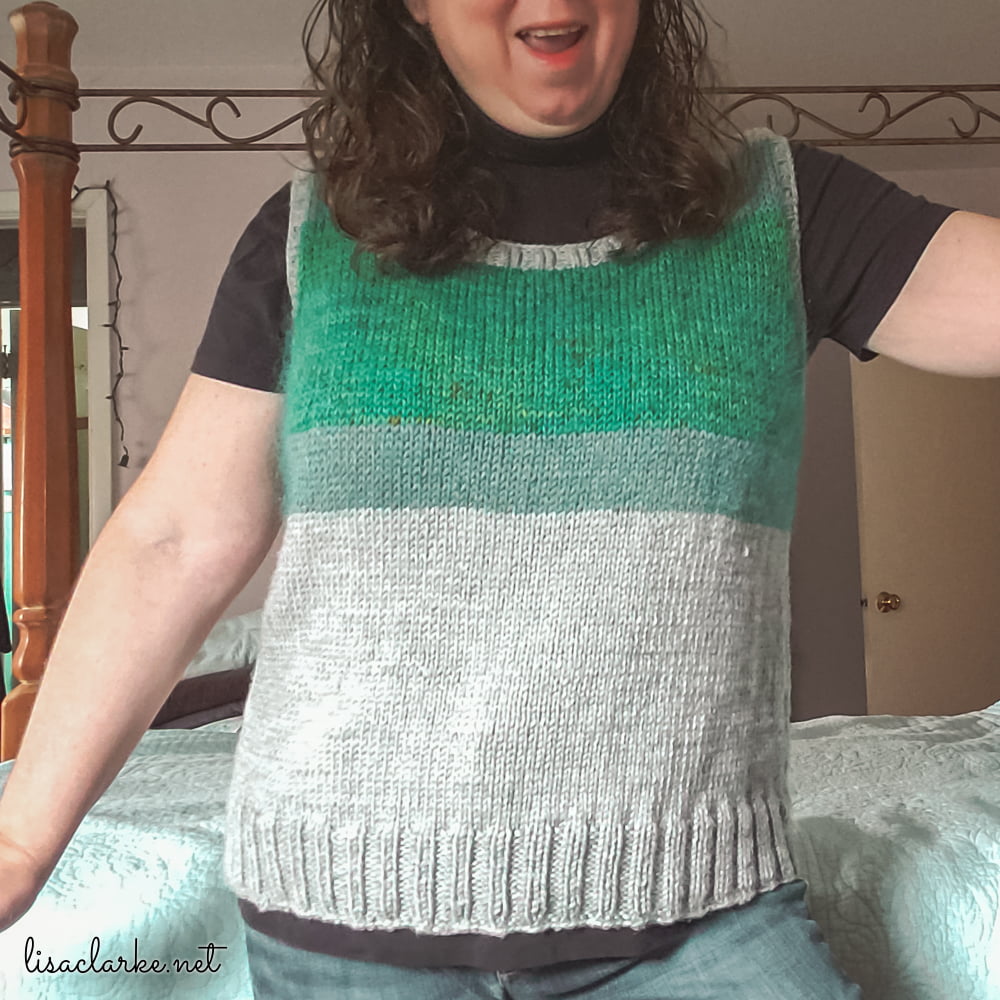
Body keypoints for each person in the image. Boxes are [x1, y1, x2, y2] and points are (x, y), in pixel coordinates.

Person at [1, 0, 998, 997]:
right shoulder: (312, 237)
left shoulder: (781, 211)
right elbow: (174, 539)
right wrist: (19, 840)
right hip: (343, 918)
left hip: (699, 914)